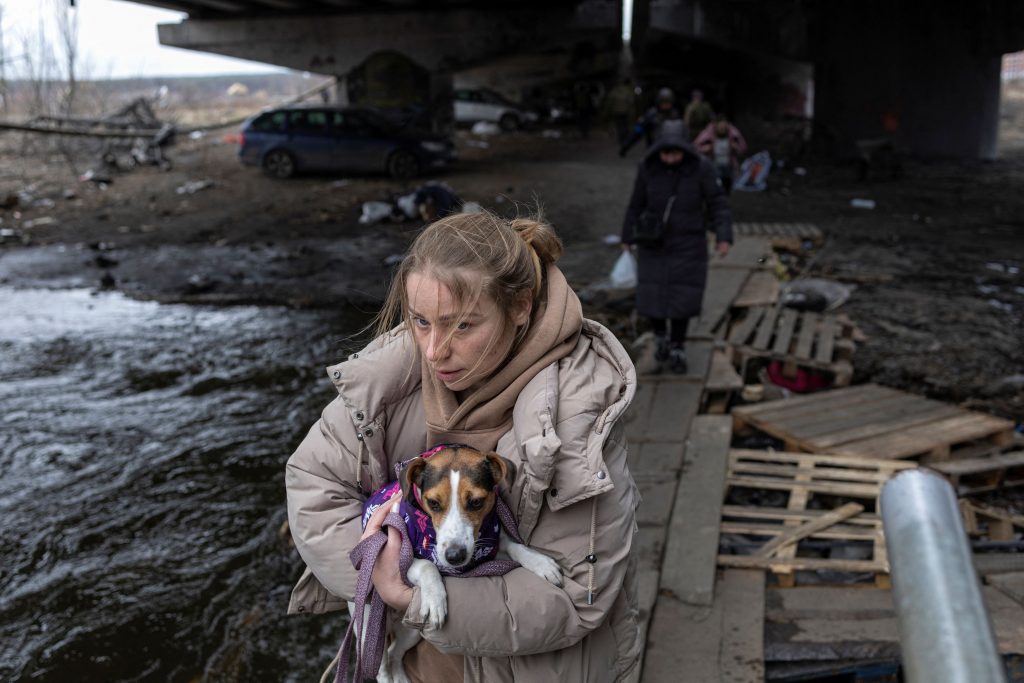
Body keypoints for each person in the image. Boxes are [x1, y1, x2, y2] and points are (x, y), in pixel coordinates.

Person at [286, 211, 642, 682]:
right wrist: (377, 572)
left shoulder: (579, 416)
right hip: (416, 665)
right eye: (421, 321)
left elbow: (575, 598)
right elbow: (314, 489)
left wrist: (405, 596)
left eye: (462, 326)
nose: (434, 351)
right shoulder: (382, 383)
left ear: (520, 307)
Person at [621, 123, 732, 374]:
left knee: (683, 296)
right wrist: (627, 236)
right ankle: (660, 338)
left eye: (675, 153)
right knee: (653, 295)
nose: (670, 159)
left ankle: (678, 345)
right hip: (653, 242)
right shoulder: (647, 168)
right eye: (665, 153)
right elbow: (635, 204)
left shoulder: (701, 168)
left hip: (689, 242)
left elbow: (718, 203)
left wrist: (723, 235)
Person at [618, 87, 684, 157]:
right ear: (659, 102)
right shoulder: (651, 115)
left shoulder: (675, 114)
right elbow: (637, 132)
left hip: (672, 150)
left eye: (668, 103)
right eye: (663, 103)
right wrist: (625, 146)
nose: (666, 105)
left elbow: (682, 133)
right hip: (654, 150)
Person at [694, 115, 747, 194]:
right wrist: (705, 148)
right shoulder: (707, 134)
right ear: (715, 125)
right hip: (713, 165)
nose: (722, 128)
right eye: (720, 127)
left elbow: (743, 148)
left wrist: (736, 147)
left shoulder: (733, 134)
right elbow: (695, 148)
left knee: (727, 187)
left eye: (724, 126)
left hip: (729, 166)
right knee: (714, 187)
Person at [605, 77, 637, 145]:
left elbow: (609, 101)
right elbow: (631, 102)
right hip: (625, 111)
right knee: (625, 125)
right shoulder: (628, 90)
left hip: (616, 111)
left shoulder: (615, 90)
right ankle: (625, 138)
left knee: (619, 125)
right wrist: (632, 111)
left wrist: (608, 111)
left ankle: (621, 139)